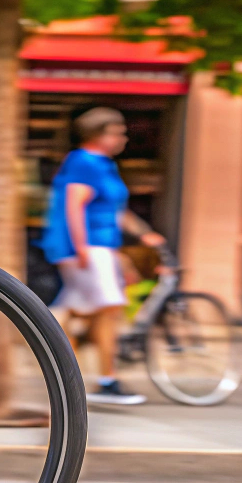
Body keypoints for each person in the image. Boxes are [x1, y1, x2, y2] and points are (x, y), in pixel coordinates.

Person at [40, 107, 166, 406]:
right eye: (118, 132)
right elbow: (75, 205)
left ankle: (67, 359)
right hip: (87, 247)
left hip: (102, 245)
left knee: (88, 310)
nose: (123, 138)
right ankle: (106, 381)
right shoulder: (83, 161)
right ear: (100, 135)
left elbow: (114, 210)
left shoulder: (104, 165)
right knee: (109, 308)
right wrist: (81, 247)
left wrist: (144, 233)